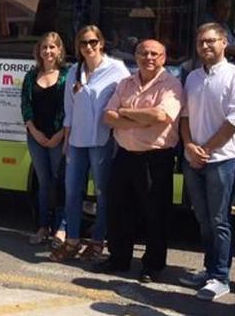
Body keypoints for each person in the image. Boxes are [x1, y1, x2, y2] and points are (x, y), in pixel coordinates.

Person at [179, 23, 235, 301]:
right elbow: (184, 116)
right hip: (193, 157)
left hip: (222, 160)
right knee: (202, 219)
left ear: (224, 43)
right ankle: (209, 269)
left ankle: (221, 277)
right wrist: (189, 145)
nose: (205, 46)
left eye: (211, 41)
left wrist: (206, 150)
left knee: (219, 219)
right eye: (200, 42)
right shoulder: (193, 77)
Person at [101, 39, 182, 283]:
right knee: (119, 210)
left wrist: (124, 112)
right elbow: (107, 116)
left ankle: (152, 266)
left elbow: (161, 115)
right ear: (136, 57)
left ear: (163, 57)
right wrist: (141, 119)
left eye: (154, 54)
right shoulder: (126, 82)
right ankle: (119, 260)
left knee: (155, 214)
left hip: (155, 159)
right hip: (125, 155)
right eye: (143, 53)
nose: (148, 57)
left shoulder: (172, 84)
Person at [49, 25, 129, 262]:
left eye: (93, 42)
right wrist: (66, 141)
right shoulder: (74, 70)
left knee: (103, 193)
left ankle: (97, 242)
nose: (89, 47)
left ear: (101, 43)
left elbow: (126, 100)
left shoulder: (116, 69)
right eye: (83, 43)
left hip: (102, 141)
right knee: (73, 191)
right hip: (76, 141)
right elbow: (69, 110)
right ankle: (72, 240)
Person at [20, 32, 66, 245]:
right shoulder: (31, 76)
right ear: (39, 51)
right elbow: (25, 105)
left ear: (59, 50)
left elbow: (71, 109)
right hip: (36, 137)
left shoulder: (67, 75)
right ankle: (42, 227)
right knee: (43, 182)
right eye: (44, 47)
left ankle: (60, 229)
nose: (48, 51)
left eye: (52, 47)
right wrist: (34, 131)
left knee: (60, 182)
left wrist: (59, 135)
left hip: (59, 137)